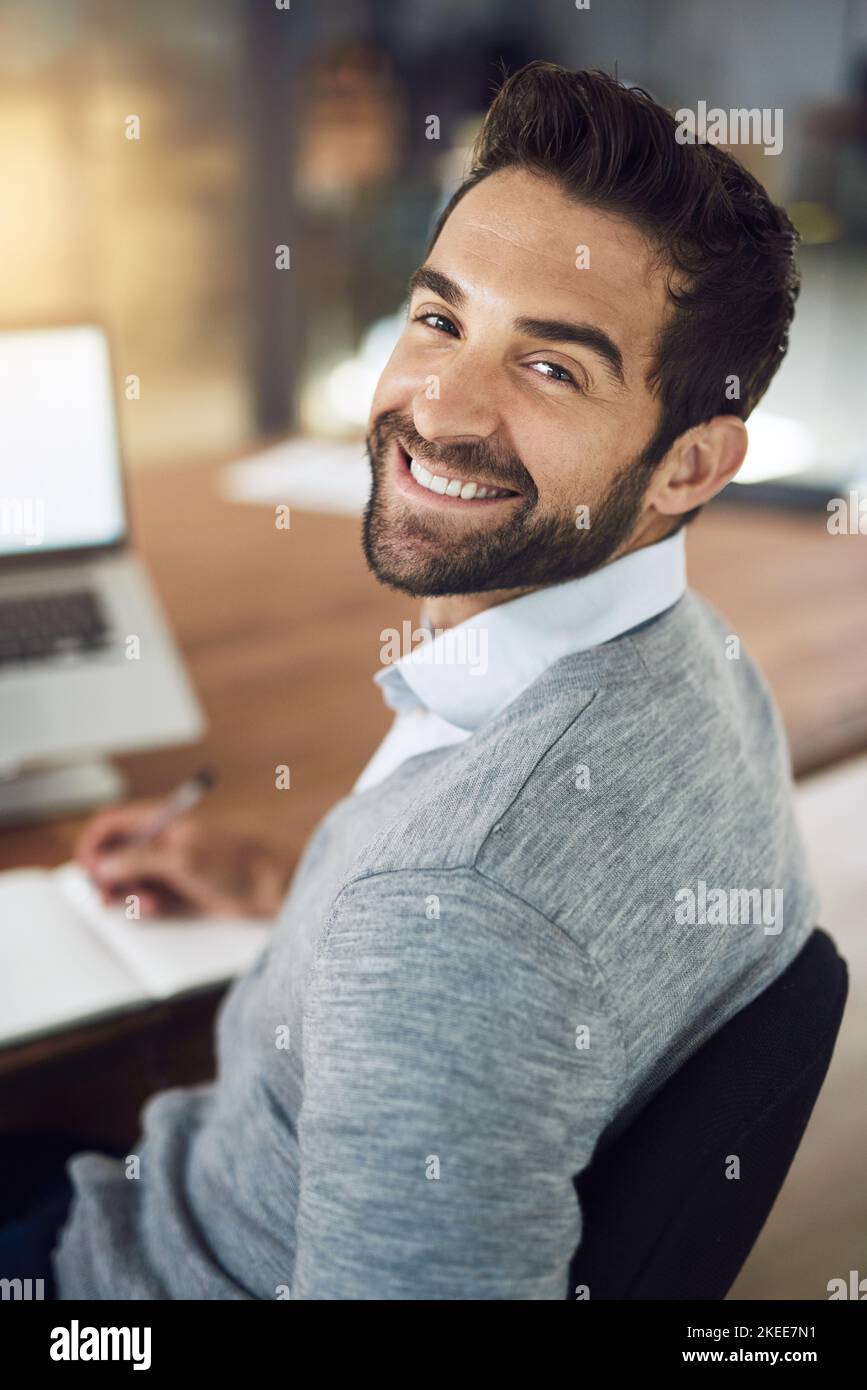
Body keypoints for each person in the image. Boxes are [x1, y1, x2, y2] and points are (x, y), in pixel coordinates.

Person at [9, 61, 818, 1300]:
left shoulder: (458, 919)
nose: (438, 404)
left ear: (692, 463)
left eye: (553, 369)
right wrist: (294, 890)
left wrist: (406, 934)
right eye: (441, 318)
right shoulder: (691, 660)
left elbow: (472, 944)